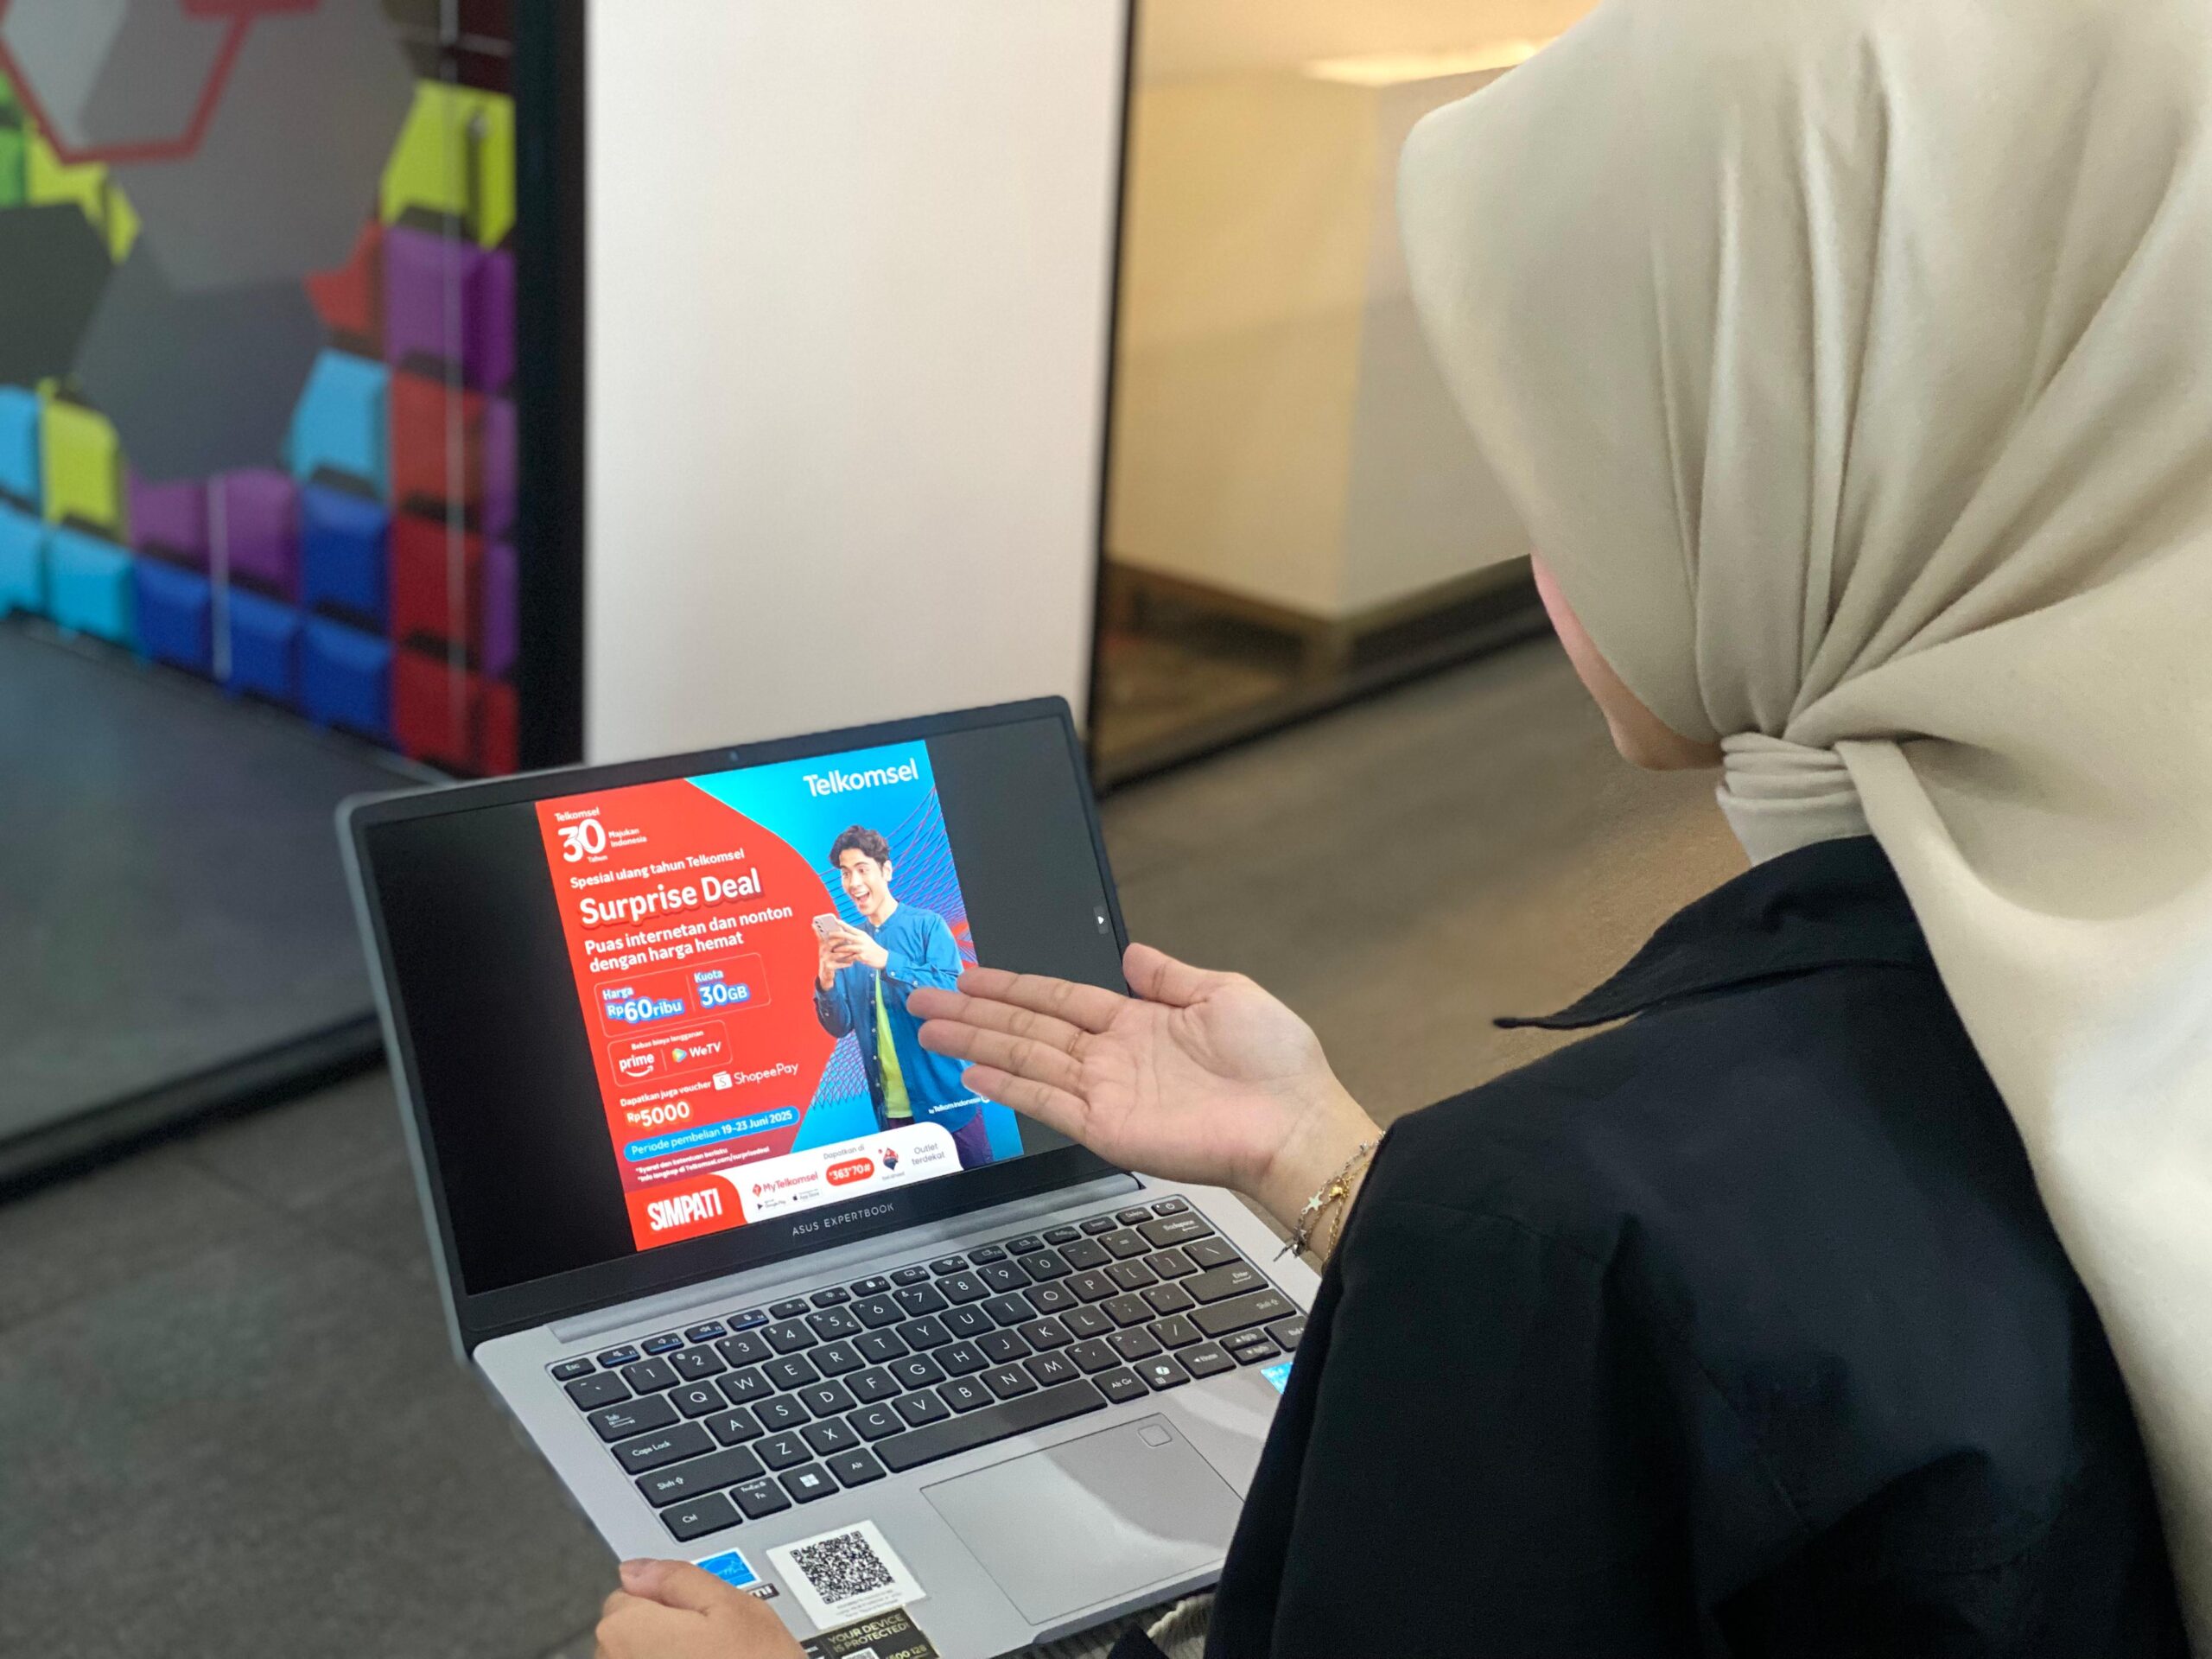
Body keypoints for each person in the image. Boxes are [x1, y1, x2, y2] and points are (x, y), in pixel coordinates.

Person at [596, 0, 2210, 1651]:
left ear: (1819, 473)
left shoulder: (1581, 1214)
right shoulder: (2129, 995)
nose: (1544, 554)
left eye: (1583, 464)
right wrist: (1328, 1162)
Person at [811, 824, 995, 1169]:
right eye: (845, 874)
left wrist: (886, 960)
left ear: (887, 871)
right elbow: (840, 1026)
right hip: (893, 1117)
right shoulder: (851, 942)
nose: (853, 883)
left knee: (988, 1191)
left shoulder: (928, 925)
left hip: (949, 1104)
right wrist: (826, 979)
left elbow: (953, 993)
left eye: (862, 869)